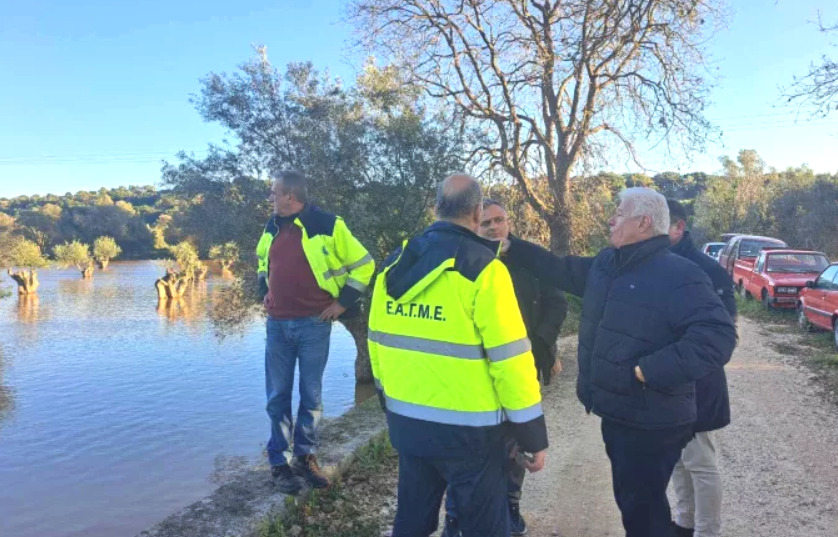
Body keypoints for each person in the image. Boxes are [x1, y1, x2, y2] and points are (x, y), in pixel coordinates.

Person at [503, 187, 736, 537]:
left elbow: (718, 336)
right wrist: (513, 245)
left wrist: (648, 370)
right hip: (622, 413)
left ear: (643, 223)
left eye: (619, 213)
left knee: (642, 511)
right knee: (636, 503)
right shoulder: (608, 264)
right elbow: (559, 269)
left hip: (651, 419)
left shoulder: (679, 274)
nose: (611, 220)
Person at [368, 174, 549, 537]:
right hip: (472, 436)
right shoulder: (485, 269)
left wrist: (390, 403)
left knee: (411, 523)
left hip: (408, 425)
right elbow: (511, 361)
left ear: (435, 208)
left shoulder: (394, 264)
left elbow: (377, 343)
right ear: (477, 212)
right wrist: (532, 435)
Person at [442, 198, 568, 537]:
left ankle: (511, 504)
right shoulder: (461, 261)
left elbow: (557, 304)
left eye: (499, 220)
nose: (494, 227)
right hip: (473, 372)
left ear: (508, 222)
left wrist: (540, 345)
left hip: (521, 368)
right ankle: (457, 511)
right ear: (474, 224)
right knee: (468, 445)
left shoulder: (529, 258)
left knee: (516, 442)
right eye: (486, 222)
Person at [256, 170, 375, 494]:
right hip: (277, 324)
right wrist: (264, 289)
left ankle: (304, 458)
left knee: (311, 396)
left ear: (290, 196)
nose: (270, 198)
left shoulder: (328, 224)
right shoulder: (271, 226)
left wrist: (342, 303)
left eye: (274, 192)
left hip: (314, 324)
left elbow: (365, 264)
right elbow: (262, 260)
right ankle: (279, 464)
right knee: (277, 396)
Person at [667, 199, 736, 537]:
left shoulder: (707, 270)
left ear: (678, 227)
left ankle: (707, 531)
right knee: (677, 458)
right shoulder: (656, 266)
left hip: (698, 381)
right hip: (666, 381)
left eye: (659, 224)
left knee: (700, 461)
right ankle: (685, 522)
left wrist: (689, 364)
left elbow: (724, 333)